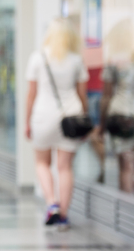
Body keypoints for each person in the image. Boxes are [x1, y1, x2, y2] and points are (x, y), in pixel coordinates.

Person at [25, 18, 88, 231]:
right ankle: (63, 215)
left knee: (42, 162)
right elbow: (82, 95)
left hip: (43, 116)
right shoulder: (76, 60)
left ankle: (51, 202)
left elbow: (31, 95)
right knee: (65, 167)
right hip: (70, 118)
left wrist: (27, 122)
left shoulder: (38, 58)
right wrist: (85, 120)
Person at [99, 20, 134, 197]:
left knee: (125, 168)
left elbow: (106, 97)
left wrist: (102, 125)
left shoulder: (113, 59)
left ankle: (127, 213)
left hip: (119, 116)